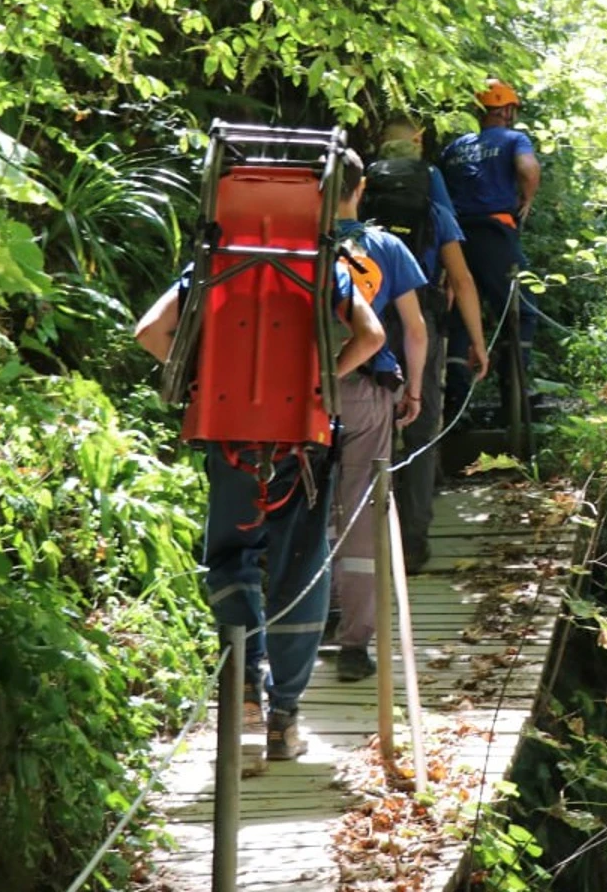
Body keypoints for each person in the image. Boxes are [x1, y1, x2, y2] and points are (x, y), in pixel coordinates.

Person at [134, 233, 386, 761]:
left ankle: (245, 687)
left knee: (230, 560)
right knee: (299, 569)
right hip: (301, 441)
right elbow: (371, 336)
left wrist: (202, 382)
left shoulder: (211, 264)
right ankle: (284, 720)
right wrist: (321, 381)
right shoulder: (322, 265)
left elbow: (150, 331)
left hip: (229, 439)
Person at [363, 118, 490, 574]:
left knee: (365, 429)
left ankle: (364, 546)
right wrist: (476, 341)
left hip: (362, 327)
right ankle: (412, 545)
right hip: (422, 323)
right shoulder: (434, 213)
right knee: (420, 432)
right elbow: (463, 280)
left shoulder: (358, 206)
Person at [329, 149, 431, 682]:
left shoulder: (296, 246)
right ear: (360, 187)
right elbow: (413, 328)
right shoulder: (386, 246)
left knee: (305, 505)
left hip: (302, 393)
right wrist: (413, 390)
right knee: (362, 513)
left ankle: (308, 619)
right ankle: (354, 645)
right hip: (369, 390)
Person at [438, 79, 540, 417]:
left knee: (460, 317)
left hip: (454, 237)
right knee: (520, 309)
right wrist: (528, 198)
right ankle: (515, 396)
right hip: (495, 232)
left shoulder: (454, 149)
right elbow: (527, 169)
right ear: (508, 110)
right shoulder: (514, 139)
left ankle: (457, 402)